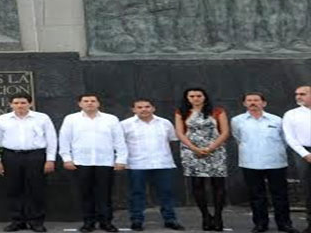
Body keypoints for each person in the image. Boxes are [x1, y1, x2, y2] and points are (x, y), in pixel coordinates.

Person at [59, 94, 127, 233]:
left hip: (105, 162)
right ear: (80, 104)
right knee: (85, 194)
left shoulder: (111, 119)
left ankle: (106, 222)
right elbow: (64, 140)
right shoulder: (71, 119)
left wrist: (121, 159)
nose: (89, 103)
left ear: (98, 103)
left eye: (93, 101)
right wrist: (66, 158)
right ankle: (88, 223)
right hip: (81, 162)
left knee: (105, 194)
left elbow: (119, 141)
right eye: (86, 101)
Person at [232, 92, 298, 233]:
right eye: (249, 100)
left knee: (280, 195)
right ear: (244, 103)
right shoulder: (237, 121)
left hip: (275, 162)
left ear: (264, 103)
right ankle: (260, 224)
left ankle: (284, 224)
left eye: (256, 100)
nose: (253, 103)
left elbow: (286, 140)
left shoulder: (277, 120)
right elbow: (238, 138)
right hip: (250, 162)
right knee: (256, 195)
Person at [0, 94, 57, 232]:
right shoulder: (2, 119)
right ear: (11, 104)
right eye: (16, 103)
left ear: (30, 104)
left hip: (36, 156)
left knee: (36, 189)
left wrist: (50, 159)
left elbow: (51, 139)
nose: (20, 106)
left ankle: (36, 222)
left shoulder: (42, 118)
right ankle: (17, 221)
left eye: (23, 103)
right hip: (11, 156)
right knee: (13, 189)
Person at [121, 98, 184, 231]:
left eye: (147, 106)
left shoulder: (165, 123)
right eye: (139, 107)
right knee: (137, 193)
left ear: (153, 108)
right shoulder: (125, 124)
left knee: (166, 193)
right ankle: (137, 220)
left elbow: (172, 140)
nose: (144, 109)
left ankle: (170, 219)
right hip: (137, 164)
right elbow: (120, 144)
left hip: (162, 163)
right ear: (133, 110)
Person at [174, 87, 229, 231]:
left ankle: (218, 217)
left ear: (205, 97)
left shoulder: (217, 111)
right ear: (187, 98)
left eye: (199, 96)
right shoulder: (182, 112)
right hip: (191, 152)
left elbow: (225, 132)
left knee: (218, 184)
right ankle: (205, 216)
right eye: (192, 96)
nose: (195, 98)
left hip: (216, 151)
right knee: (197, 185)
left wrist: (210, 148)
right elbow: (180, 133)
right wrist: (194, 148)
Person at [282, 85, 311, 233]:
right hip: (303, 153)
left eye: (302, 94)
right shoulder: (291, 114)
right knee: (308, 189)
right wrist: (305, 154)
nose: (298, 97)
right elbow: (290, 137)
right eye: (297, 94)